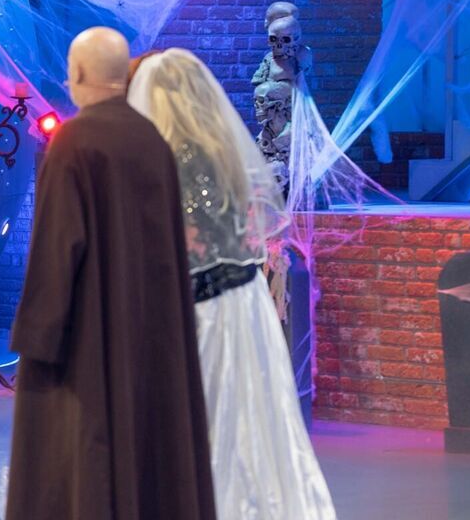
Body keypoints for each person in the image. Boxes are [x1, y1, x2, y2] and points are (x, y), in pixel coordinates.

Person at [5, 27, 217, 520]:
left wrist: (37, 336)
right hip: (151, 333)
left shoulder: (74, 142)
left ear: (79, 73)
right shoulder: (152, 141)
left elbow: (58, 247)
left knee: (82, 457)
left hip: (89, 339)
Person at [127, 48, 336, 520]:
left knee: (208, 414)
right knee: (247, 416)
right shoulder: (223, 150)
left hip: (203, 306)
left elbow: (182, 241)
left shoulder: (174, 158)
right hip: (243, 300)